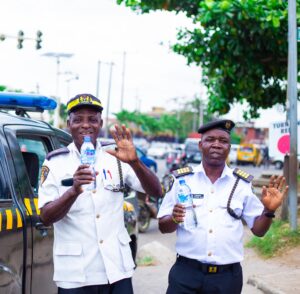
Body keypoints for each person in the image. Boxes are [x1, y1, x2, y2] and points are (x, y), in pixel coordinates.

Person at [38, 93, 162, 294]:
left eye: (92, 120)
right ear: (68, 124)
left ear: (100, 124)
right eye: (78, 120)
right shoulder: (54, 163)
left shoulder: (116, 156)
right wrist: (73, 191)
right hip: (75, 276)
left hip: (116, 270)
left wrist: (135, 162)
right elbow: (46, 217)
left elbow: (156, 191)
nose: (85, 125)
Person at [158, 119, 288, 294]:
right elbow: (163, 226)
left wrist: (269, 210)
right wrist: (174, 218)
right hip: (185, 274)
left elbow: (258, 230)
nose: (217, 145)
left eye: (223, 141)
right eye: (210, 140)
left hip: (227, 279)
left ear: (229, 147)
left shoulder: (241, 183)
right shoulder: (182, 180)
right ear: (200, 145)